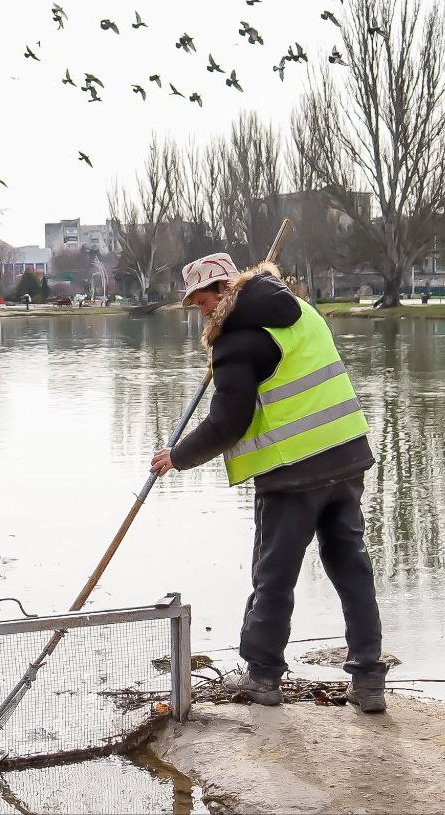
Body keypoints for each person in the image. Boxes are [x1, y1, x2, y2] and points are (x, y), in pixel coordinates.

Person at [149, 253, 388, 713]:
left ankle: (262, 677)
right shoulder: (303, 312)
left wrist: (176, 458)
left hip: (292, 474)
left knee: (274, 576)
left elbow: (227, 425)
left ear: (222, 291)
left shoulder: (237, 339)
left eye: (201, 303)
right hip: (346, 458)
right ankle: (369, 680)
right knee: (352, 570)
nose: (201, 313)